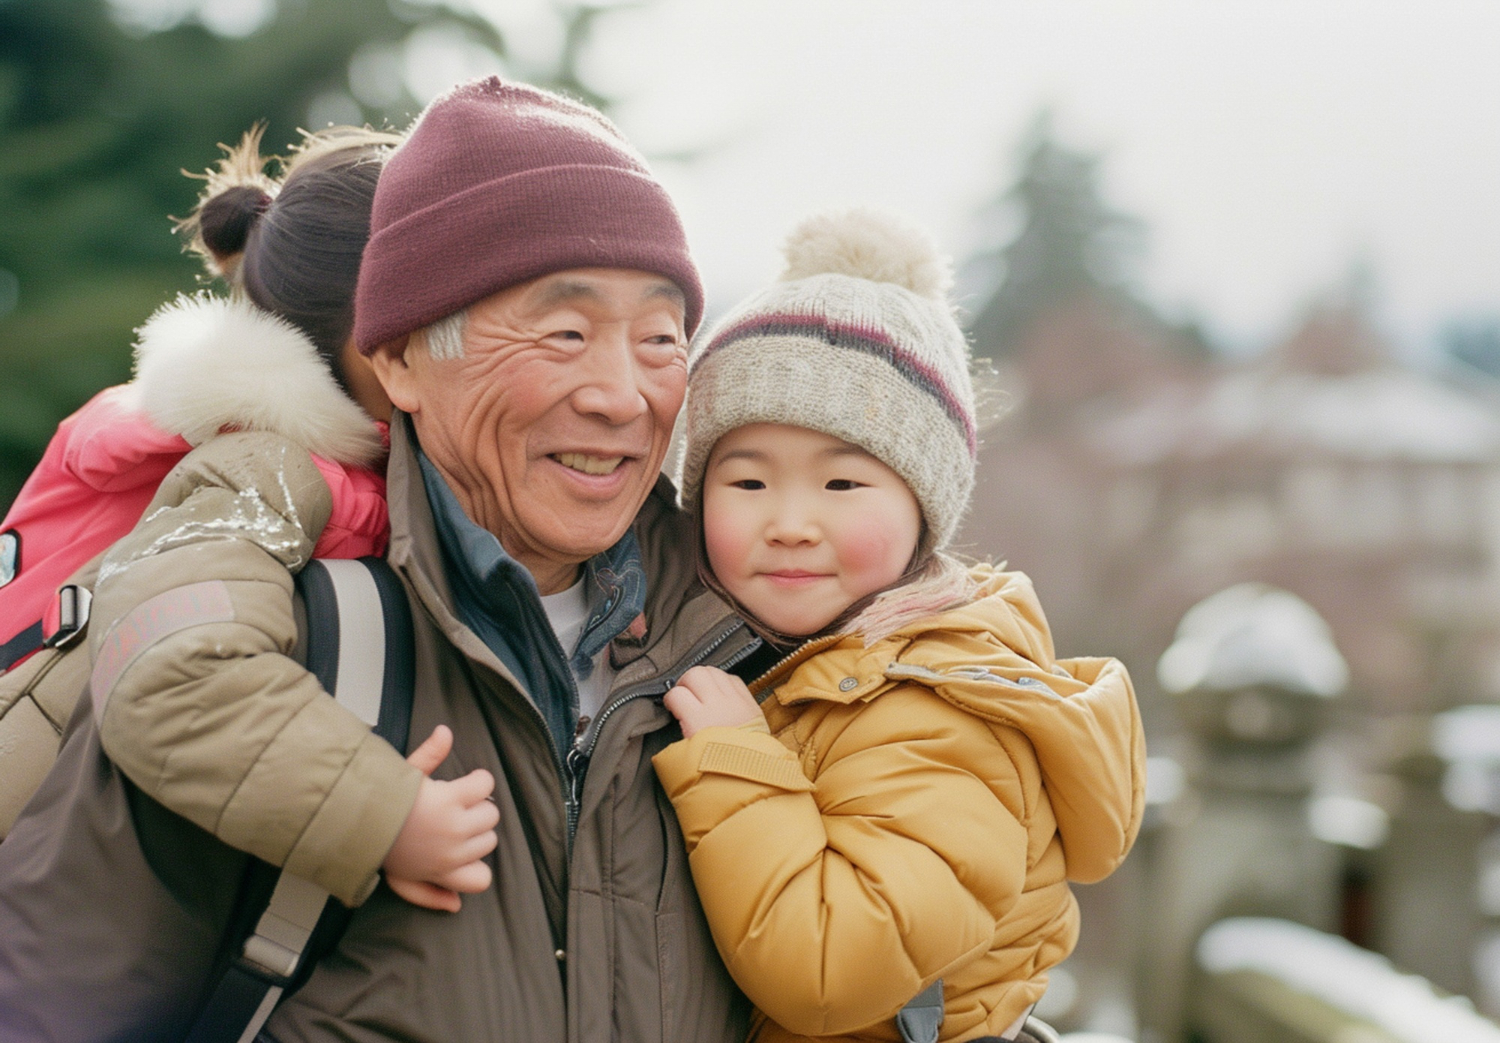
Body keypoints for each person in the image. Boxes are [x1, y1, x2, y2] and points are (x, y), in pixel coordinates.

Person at [4, 77, 759, 1042]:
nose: (620, 393)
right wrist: (374, 808)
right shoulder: (296, 568)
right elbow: (51, 992)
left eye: (661, 338)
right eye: (564, 331)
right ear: (394, 357)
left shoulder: (742, 635)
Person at [650, 209, 1147, 1043]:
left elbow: (829, 973)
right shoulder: (792, 660)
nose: (792, 522)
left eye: (842, 485)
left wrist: (733, 761)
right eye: (747, 482)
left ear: (925, 511)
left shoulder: (942, 710)